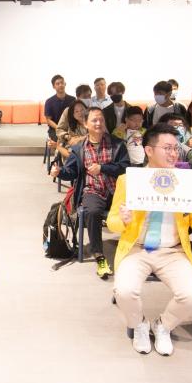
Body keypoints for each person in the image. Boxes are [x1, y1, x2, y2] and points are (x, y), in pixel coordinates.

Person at [106, 124, 192, 355]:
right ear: (149, 150)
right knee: (124, 291)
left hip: (173, 251)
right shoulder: (128, 181)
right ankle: (139, 324)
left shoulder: (186, 182)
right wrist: (123, 220)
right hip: (136, 249)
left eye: (176, 148)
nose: (173, 154)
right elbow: (112, 221)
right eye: (167, 148)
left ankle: (163, 325)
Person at [52, 107, 131, 280]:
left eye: (101, 120)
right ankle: (99, 256)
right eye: (94, 120)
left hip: (117, 191)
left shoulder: (117, 144)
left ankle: (134, 250)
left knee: (135, 209)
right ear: (86, 124)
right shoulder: (79, 148)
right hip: (93, 190)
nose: (98, 123)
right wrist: (59, 172)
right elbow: (71, 172)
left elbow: (125, 168)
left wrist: (103, 168)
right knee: (92, 211)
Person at [44, 75, 73, 141]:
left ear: (65, 84)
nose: (60, 85)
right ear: (53, 86)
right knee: (60, 141)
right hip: (55, 129)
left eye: (62, 83)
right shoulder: (49, 101)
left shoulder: (73, 99)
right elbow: (48, 120)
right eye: (57, 84)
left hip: (70, 129)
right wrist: (59, 128)